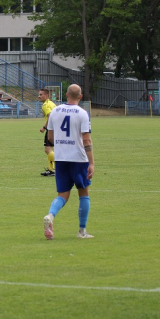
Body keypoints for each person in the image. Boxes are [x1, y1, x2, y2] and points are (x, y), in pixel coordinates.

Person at [43, 84, 95, 240]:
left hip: (61, 158)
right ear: (80, 96)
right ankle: (82, 231)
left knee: (62, 195)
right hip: (78, 159)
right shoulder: (82, 113)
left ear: (66, 95)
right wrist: (91, 163)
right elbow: (86, 140)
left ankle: (50, 215)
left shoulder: (55, 112)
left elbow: (50, 138)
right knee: (83, 193)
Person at [38, 88, 57, 177]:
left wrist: (44, 127)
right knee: (49, 149)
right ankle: (51, 169)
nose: (39, 96)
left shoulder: (45, 105)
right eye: (39, 94)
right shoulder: (51, 103)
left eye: (41, 95)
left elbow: (50, 117)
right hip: (57, 127)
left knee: (48, 149)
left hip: (52, 128)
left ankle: (58, 166)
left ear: (46, 95)